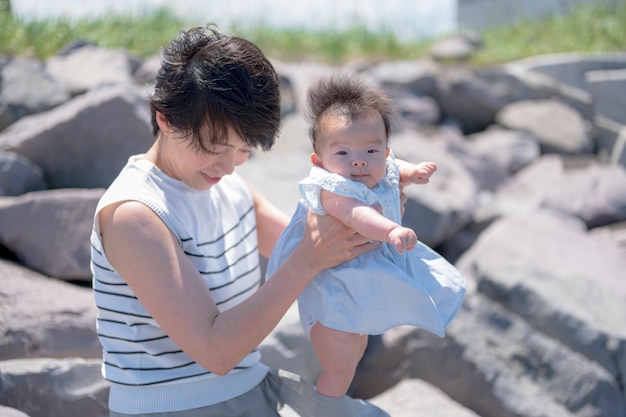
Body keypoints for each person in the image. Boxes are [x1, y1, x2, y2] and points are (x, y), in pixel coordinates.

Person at [90, 24, 390, 417]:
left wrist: (376, 204)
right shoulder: (134, 213)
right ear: (164, 119)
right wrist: (308, 260)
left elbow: (322, 246)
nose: (228, 166)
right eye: (215, 146)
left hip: (253, 388)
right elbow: (217, 351)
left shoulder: (231, 189)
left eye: (243, 149)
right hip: (172, 408)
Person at [266, 74, 466, 398]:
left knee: (358, 348)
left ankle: (333, 401)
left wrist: (411, 172)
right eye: (342, 153)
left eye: (371, 150)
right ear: (318, 160)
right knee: (340, 365)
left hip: (358, 285)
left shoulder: (380, 164)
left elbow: (392, 167)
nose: (359, 160)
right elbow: (356, 215)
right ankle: (326, 407)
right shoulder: (330, 187)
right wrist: (391, 229)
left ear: (385, 151)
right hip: (333, 290)